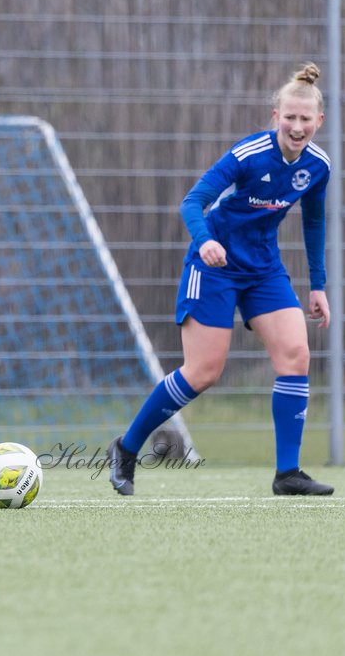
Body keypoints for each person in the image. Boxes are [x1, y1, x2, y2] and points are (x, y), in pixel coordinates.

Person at [107, 63, 333, 497]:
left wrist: (318, 284)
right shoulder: (248, 155)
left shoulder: (318, 166)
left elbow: (315, 220)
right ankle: (127, 448)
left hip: (263, 267)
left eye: (306, 119)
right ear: (275, 116)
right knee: (203, 372)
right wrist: (206, 240)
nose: (298, 126)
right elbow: (193, 201)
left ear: (318, 122)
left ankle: (288, 474)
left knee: (295, 355)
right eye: (290, 117)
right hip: (212, 265)